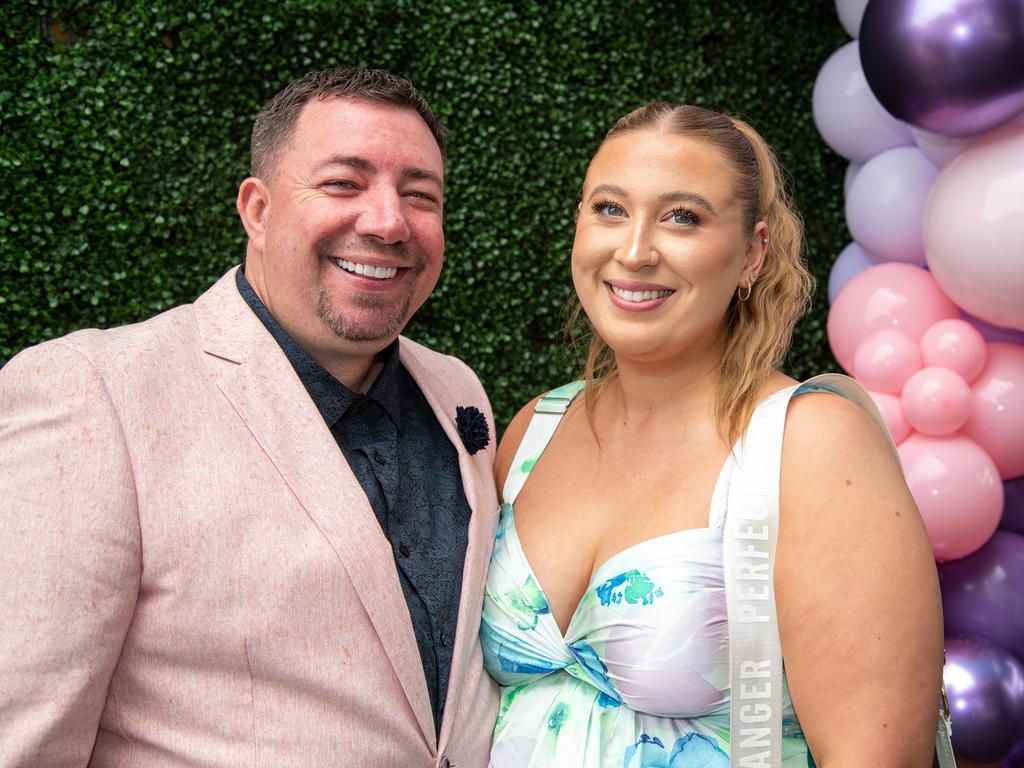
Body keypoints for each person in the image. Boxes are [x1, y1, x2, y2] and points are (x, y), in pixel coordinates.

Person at [0, 67, 498, 767]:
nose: (389, 222)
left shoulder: (458, 392)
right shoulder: (93, 393)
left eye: (420, 196)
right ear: (257, 210)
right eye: (343, 184)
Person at [479, 103, 946, 767]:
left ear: (753, 252)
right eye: (609, 209)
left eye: (683, 217)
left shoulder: (808, 443)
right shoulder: (534, 431)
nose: (634, 251)